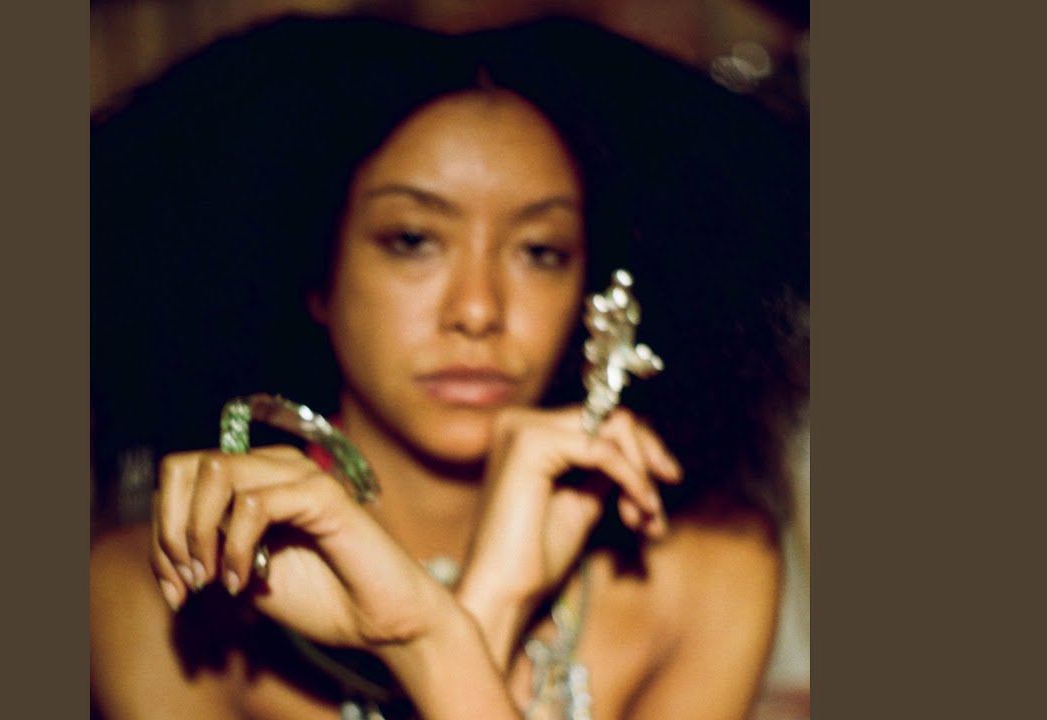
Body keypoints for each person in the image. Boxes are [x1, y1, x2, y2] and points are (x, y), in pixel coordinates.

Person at [90, 15, 808, 720]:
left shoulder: (706, 572)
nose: (477, 309)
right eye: (412, 241)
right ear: (317, 274)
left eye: (540, 252)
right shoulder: (158, 599)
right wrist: (461, 623)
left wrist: (442, 631)